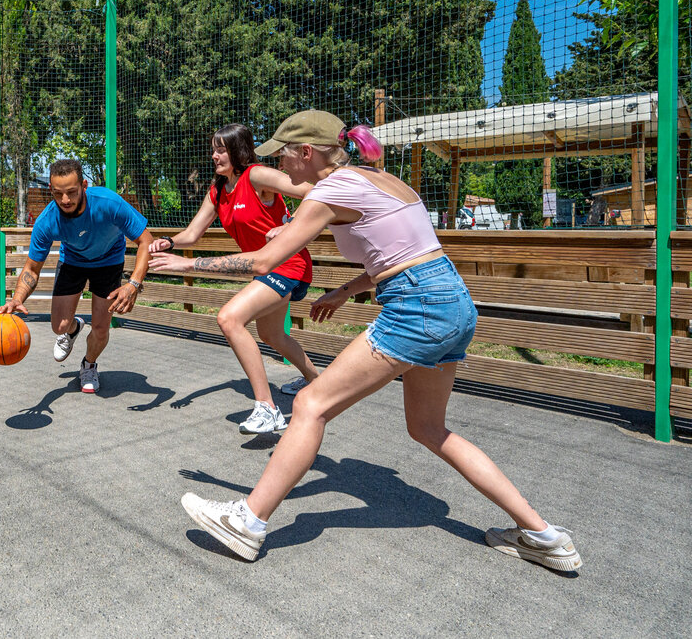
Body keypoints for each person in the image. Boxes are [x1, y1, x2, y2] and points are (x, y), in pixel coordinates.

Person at [151, 111, 582, 571]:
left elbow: (264, 262)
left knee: (310, 406)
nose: (283, 169)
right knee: (429, 429)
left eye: (285, 156)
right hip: (452, 301)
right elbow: (401, 252)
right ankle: (545, 536)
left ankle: (248, 522)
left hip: (417, 307)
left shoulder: (332, 189)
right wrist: (343, 290)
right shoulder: (381, 179)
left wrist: (187, 266)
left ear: (306, 152)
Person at [147, 124, 319, 435]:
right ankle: (317, 382)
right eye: (213, 149)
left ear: (238, 150)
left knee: (228, 318)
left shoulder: (256, 176)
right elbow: (192, 234)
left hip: (287, 264)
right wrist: (169, 242)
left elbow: (314, 191)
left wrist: (290, 225)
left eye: (221, 149)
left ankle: (267, 408)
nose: (214, 155)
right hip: (264, 268)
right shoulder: (218, 190)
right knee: (272, 336)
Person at [0, 159, 157, 394]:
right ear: (51, 189)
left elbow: (146, 241)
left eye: (71, 192)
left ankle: (89, 365)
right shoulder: (47, 221)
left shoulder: (108, 203)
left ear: (84, 185)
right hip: (73, 261)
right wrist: (17, 299)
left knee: (101, 328)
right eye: (58, 194)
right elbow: (31, 269)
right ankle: (72, 329)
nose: (65, 200)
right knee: (58, 326)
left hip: (109, 261)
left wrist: (133, 284)